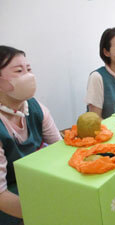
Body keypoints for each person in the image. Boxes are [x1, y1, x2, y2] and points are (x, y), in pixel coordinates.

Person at [0, 46, 62, 225]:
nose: (28, 76)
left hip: (33, 184)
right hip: (9, 200)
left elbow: (60, 149)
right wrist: (43, 213)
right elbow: (1, 195)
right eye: (19, 71)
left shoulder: (36, 108)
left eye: (29, 69)